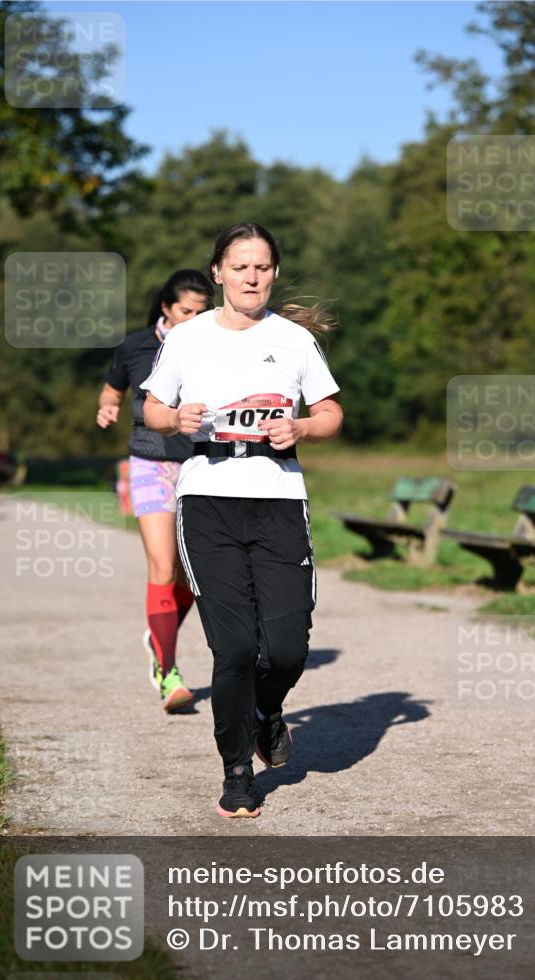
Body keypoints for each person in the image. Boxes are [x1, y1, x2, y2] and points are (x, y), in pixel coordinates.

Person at [142, 222, 343, 817]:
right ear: (218, 274)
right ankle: (237, 776)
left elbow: (330, 412)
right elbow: (152, 405)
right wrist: (173, 420)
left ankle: (264, 711)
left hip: (279, 497)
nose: (251, 276)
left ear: (273, 274)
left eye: (262, 267)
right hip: (208, 499)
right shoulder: (186, 338)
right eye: (240, 266)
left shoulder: (295, 340)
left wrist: (302, 427)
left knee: (284, 648)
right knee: (232, 648)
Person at [96, 270, 214, 711]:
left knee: (193, 572)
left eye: (202, 311)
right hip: (149, 462)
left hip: (201, 464)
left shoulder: (214, 345)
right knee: (162, 565)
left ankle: (157, 632)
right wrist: (107, 408)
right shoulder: (135, 346)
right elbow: (112, 391)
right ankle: (168, 672)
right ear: (166, 308)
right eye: (186, 311)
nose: (194, 318)